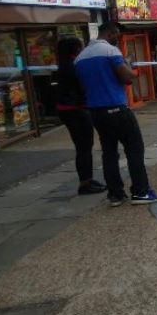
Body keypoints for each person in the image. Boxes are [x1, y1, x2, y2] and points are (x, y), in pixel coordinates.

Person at [74, 22, 157, 206]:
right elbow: (126, 77)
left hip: (96, 113)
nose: (118, 39)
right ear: (111, 33)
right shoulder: (110, 52)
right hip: (116, 109)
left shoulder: (80, 58)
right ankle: (141, 192)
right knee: (134, 150)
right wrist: (133, 71)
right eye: (117, 36)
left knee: (109, 153)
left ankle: (115, 195)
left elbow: (83, 86)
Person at [53, 36, 106, 196]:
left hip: (70, 109)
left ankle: (87, 179)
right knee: (84, 147)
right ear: (75, 49)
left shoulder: (65, 65)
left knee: (84, 147)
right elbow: (82, 86)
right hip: (75, 110)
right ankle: (85, 184)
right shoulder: (73, 67)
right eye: (80, 46)